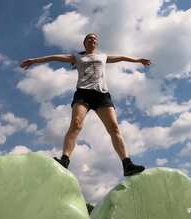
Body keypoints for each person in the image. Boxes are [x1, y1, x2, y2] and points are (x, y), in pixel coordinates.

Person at [20, 33, 151, 176]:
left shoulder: (103, 56)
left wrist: (138, 60)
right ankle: (65, 159)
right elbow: (54, 57)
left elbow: (121, 57)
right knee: (76, 124)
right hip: (83, 93)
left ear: (96, 43)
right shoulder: (77, 57)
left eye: (95, 38)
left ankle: (127, 164)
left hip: (102, 95)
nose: (93, 39)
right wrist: (34, 61)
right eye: (90, 38)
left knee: (114, 127)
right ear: (85, 42)